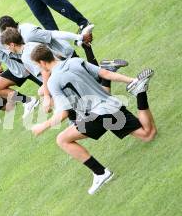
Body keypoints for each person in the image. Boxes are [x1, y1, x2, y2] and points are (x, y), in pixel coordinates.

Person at [30, 45, 157, 194]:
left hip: (97, 116)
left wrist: (42, 126)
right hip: (110, 105)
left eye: (37, 65)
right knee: (148, 133)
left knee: (62, 139)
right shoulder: (76, 61)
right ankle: (140, 91)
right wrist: (132, 80)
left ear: (42, 63)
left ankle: (101, 173)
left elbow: (64, 112)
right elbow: (104, 73)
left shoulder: (53, 82)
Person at [0, 27, 127, 112]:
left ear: (12, 44)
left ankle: (76, 115)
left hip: (59, 77)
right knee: (97, 94)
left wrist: (47, 96)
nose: (7, 49)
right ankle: (104, 76)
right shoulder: (32, 44)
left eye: (6, 46)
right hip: (64, 68)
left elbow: (45, 72)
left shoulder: (26, 56)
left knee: (93, 99)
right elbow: (57, 55)